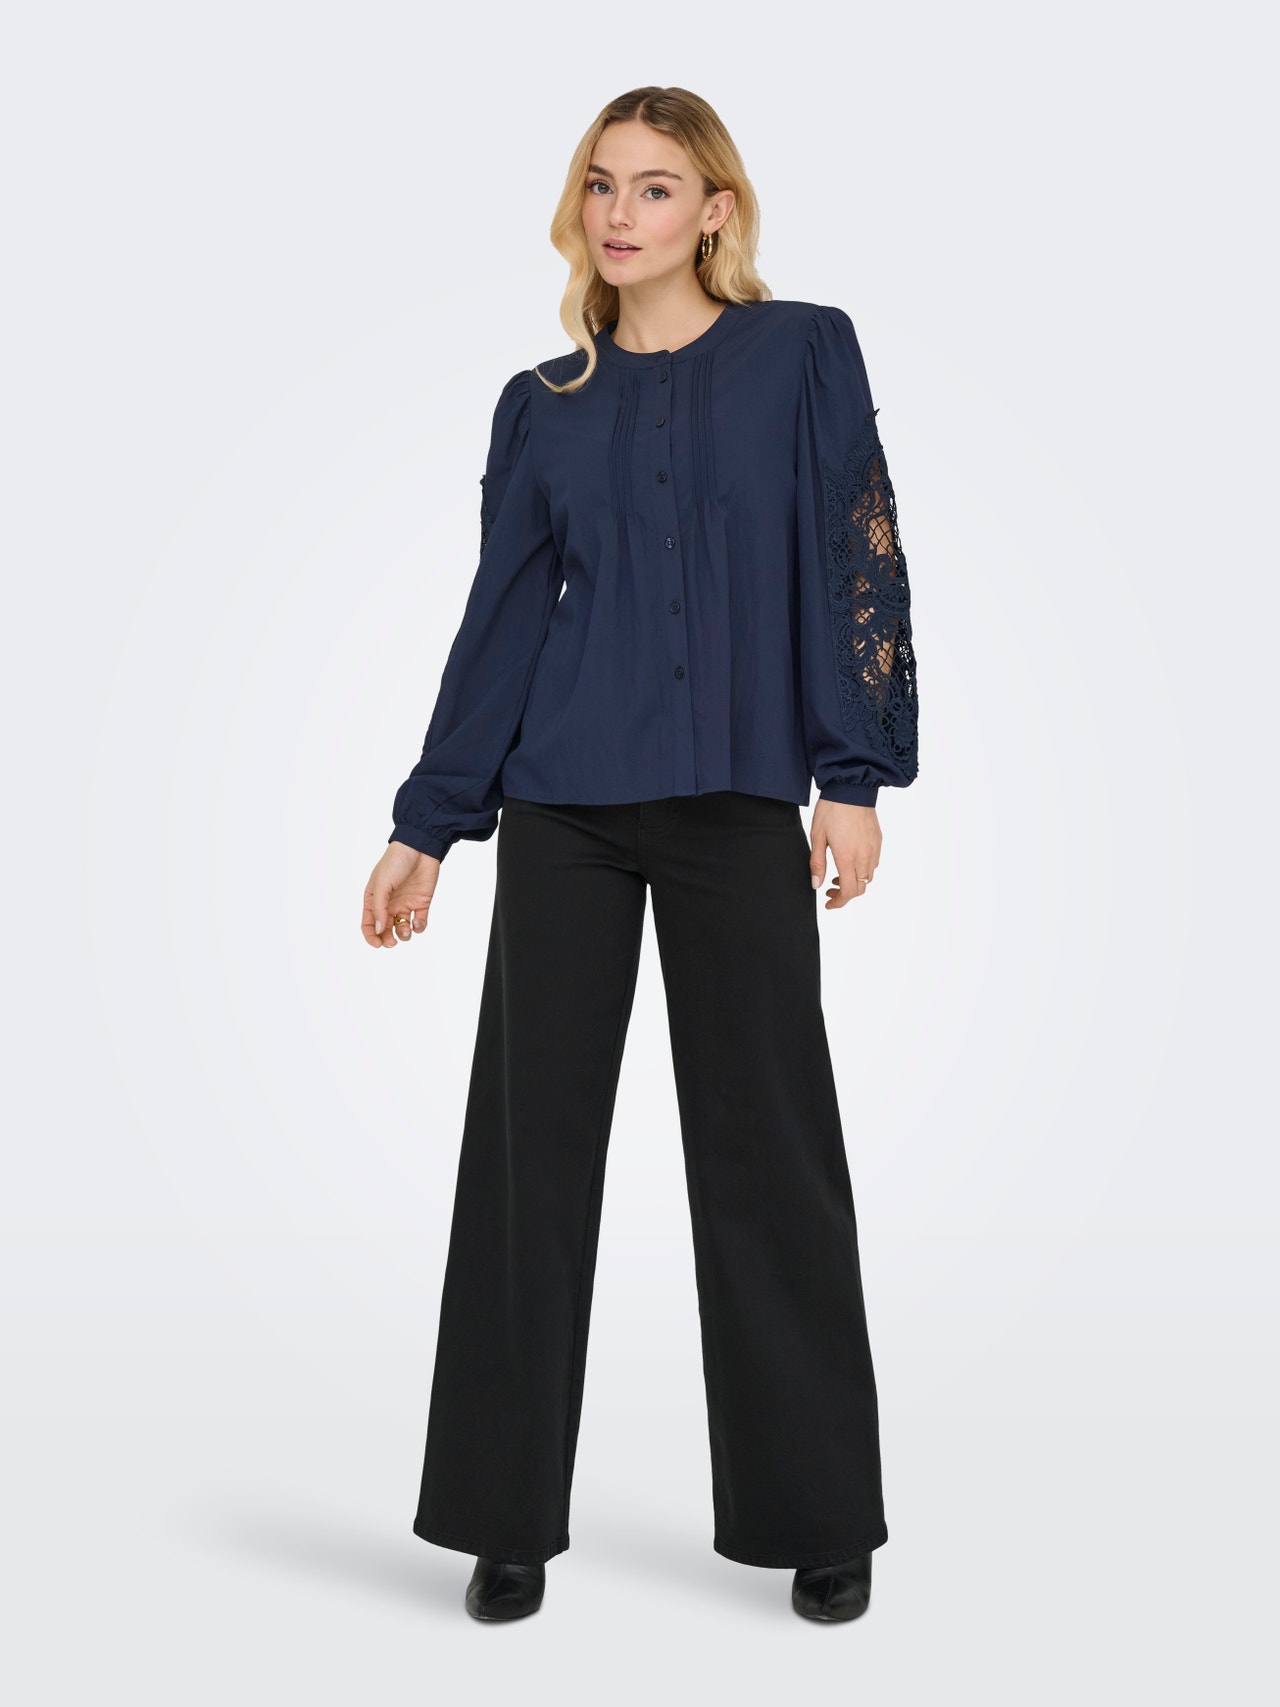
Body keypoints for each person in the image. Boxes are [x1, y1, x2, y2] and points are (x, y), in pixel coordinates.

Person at [361, 85, 919, 1625]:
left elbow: (858, 551)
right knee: (528, 1161)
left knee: (770, 1154)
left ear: (714, 211)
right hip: (565, 813)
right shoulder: (542, 402)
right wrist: (428, 823)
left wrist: (853, 774)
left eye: (657, 188)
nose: (621, 214)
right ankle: (504, 1520)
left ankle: (818, 1515)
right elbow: (501, 621)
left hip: (738, 807)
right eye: (601, 185)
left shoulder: (801, 354)